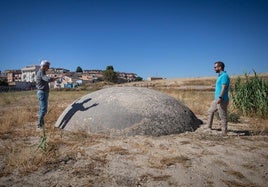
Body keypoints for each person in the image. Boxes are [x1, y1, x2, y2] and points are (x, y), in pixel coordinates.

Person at [207, 61, 230, 135]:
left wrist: (220, 97)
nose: (214, 68)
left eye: (215, 67)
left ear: (220, 67)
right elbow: (220, 87)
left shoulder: (224, 76)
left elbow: (224, 87)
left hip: (222, 99)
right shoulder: (220, 76)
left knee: (223, 116)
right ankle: (208, 127)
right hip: (216, 99)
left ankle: (224, 132)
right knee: (210, 111)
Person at [36, 60, 59, 129]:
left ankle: (41, 125)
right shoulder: (41, 72)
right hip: (42, 93)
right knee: (43, 110)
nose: (48, 68)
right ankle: (39, 125)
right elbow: (47, 79)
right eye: (48, 66)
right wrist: (54, 78)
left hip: (43, 93)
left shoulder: (42, 72)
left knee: (42, 110)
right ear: (44, 66)